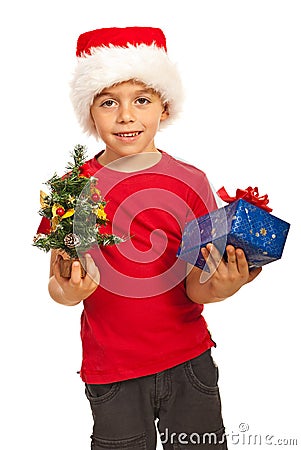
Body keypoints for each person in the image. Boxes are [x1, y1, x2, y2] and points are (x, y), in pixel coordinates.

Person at [44, 27, 261, 449]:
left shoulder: (191, 181)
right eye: (109, 102)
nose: (126, 116)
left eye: (141, 100)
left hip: (189, 363)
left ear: (164, 106)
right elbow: (56, 283)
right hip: (113, 371)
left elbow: (197, 287)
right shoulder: (73, 188)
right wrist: (69, 290)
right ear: (90, 111)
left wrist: (223, 286)